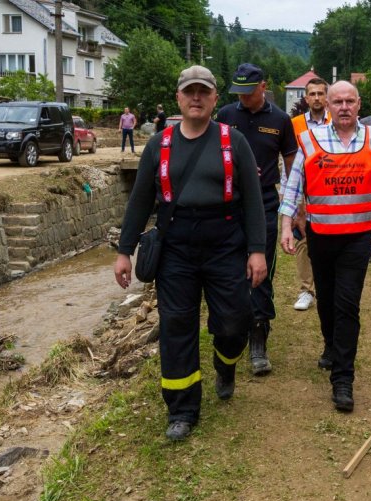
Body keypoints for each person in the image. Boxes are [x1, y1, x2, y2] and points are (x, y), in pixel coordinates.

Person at [114, 65, 267, 441]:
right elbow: (139, 202)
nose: (196, 98)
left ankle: (225, 361)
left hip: (225, 242)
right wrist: (124, 251)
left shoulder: (234, 141)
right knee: (176, 326)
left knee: (235, 321)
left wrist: (257, 250)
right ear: (179, 98)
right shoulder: (158, 144)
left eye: (204, 91)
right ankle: (182, 409)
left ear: (215, 98)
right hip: (176, 246)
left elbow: (253, 200)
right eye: (189, 92)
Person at [279, 81, 371, 412]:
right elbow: (295, 184)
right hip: (321, 235)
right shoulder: (310, 140)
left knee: (347, 304)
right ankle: (330, 345)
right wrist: (286, 224)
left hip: (358, 238)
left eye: (349, 101)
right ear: (327, 104)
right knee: (325, 301)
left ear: (358, 105)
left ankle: (343, 379)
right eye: (336, 101)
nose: (343, 107)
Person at [216, 63, 297, 376]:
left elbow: (293, 168)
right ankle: (231, 331)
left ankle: (259, 337)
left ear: (263, 86)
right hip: (228, 204)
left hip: (263, 203)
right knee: (231, 271)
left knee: (259, 272)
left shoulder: (280, 120)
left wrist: (295, 207)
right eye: (239, 93)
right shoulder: (225, 116)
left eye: (249, 92)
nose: (244, 98)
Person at [287, 77, 331, 317]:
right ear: (305, 98)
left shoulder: (336, 121)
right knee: (302, 239)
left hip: (328, 191)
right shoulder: (294, 124)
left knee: (326, 241)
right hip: (302, 190)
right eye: (312, 94)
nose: (316, 98)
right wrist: (292, 200)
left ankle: (327, 286)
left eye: (320, 94)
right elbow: (289, 162)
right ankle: (306, 290)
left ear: (327, 97)